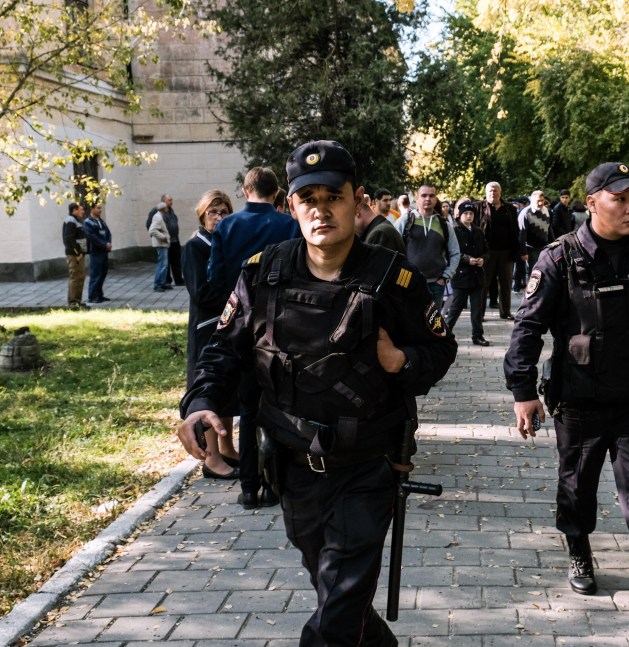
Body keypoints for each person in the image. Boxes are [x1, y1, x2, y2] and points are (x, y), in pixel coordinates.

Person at [177, 139, 456, 647]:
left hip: (368, 466)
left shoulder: (394, 278)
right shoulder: (264, 272)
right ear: (291, 206)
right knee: (338, 599)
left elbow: (441, 349)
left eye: (334, 196)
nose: (321, 210)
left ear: (357, 200)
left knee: (337, 612)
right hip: (292, 470)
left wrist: (403, 362)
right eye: (309, 199)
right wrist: (201, 404)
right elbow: (223, 350)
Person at [504, 162, 629, 630]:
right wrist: (523, 391)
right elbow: (527, 328)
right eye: (620, 199)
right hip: (579, 402)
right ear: (592, 203)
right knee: (577, 486)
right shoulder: (559, 258)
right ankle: (578, 548)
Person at [207, 166, 301, 510]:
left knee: (247, 410)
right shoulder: (288, 225)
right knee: (279, 407)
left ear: (246, 192)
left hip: (240, 328)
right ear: (277, 194)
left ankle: (248, 486)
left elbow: (215, 279)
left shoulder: (227, 226)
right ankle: (274, 482)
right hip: (281, 329)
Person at [182, 190, 239, 479]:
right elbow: (201, 292)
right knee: (208, 392)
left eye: (224, 211)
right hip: (207, 329)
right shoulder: (195, 246)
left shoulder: (224, 243)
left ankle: (227, 447)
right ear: (202, 216)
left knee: (226, 388)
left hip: (226, 327)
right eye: (213, 212)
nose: (219, 217)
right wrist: (233, 297)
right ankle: (212, 458)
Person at [394, 184, 461, 309]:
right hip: (407, 281)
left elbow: (455, 252)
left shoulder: (444, 225)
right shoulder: (406, 220)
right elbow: (392, 248)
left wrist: (445, 276)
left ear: (436, 199)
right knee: (407, 322)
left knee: (432, 325)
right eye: (424, 195)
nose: (427, 199)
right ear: (417, 198)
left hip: (436, 283)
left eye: (431, 195)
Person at [442, 201, 489, 346]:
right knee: (456, 307)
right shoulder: (454, 230)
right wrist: (468, 260)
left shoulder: (478, 231)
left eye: (471, 214)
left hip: (477, 276)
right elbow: (451, 253)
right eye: (466, 214)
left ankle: (477, 335)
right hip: (461, 275)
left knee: (477, 309)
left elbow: (486, 250)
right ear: (460, 214)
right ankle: (445, 334)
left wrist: (483, 259)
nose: (469, 216)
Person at [475, 181, 524, 320]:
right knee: (484, 284)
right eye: (490, 191)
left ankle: (506, 311)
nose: (493, 193)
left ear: (500, 192)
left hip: (506, 252)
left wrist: (519, 250)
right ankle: (480, 313)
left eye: (495, 190)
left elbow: (516, 230)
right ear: (486, 193)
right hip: (486, 252)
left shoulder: (509, 208)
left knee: (506, 283)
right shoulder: (479, 207)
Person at [83, 204, 112, 303]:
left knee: (103, 273)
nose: (100, 210)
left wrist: (108, 242)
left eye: (101, 208)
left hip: (104, 250)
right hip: (96, 251)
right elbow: (92, 237)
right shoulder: (88, 222)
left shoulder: (100, 221)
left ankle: (99, 294)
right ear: (92, 209)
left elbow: (107, 232)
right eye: (98, 208)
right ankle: (92, 296)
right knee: (95, 274)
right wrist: (104, 244)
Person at [63, 202, 88, 309]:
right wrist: (77, 253)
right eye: (80, 209)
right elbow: (69, 239)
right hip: (74, 255)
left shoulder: (77, 220)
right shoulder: (70, 221)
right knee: (75, 277)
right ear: (74, 210)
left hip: (80, 254)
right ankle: (73, 303)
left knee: (80, 277)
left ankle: (78, 301)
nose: (83, 211)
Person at [149, 202, 172, 292]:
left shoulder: (160, 216)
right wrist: (163, 237)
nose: (168, 209)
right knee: (162, 265)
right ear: (163, 209)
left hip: (162, 244)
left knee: (164, 265)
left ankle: (162, 283)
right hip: (161, 244)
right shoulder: (158, 217)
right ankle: (158, 284)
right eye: (166, 208)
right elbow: (152, 230)